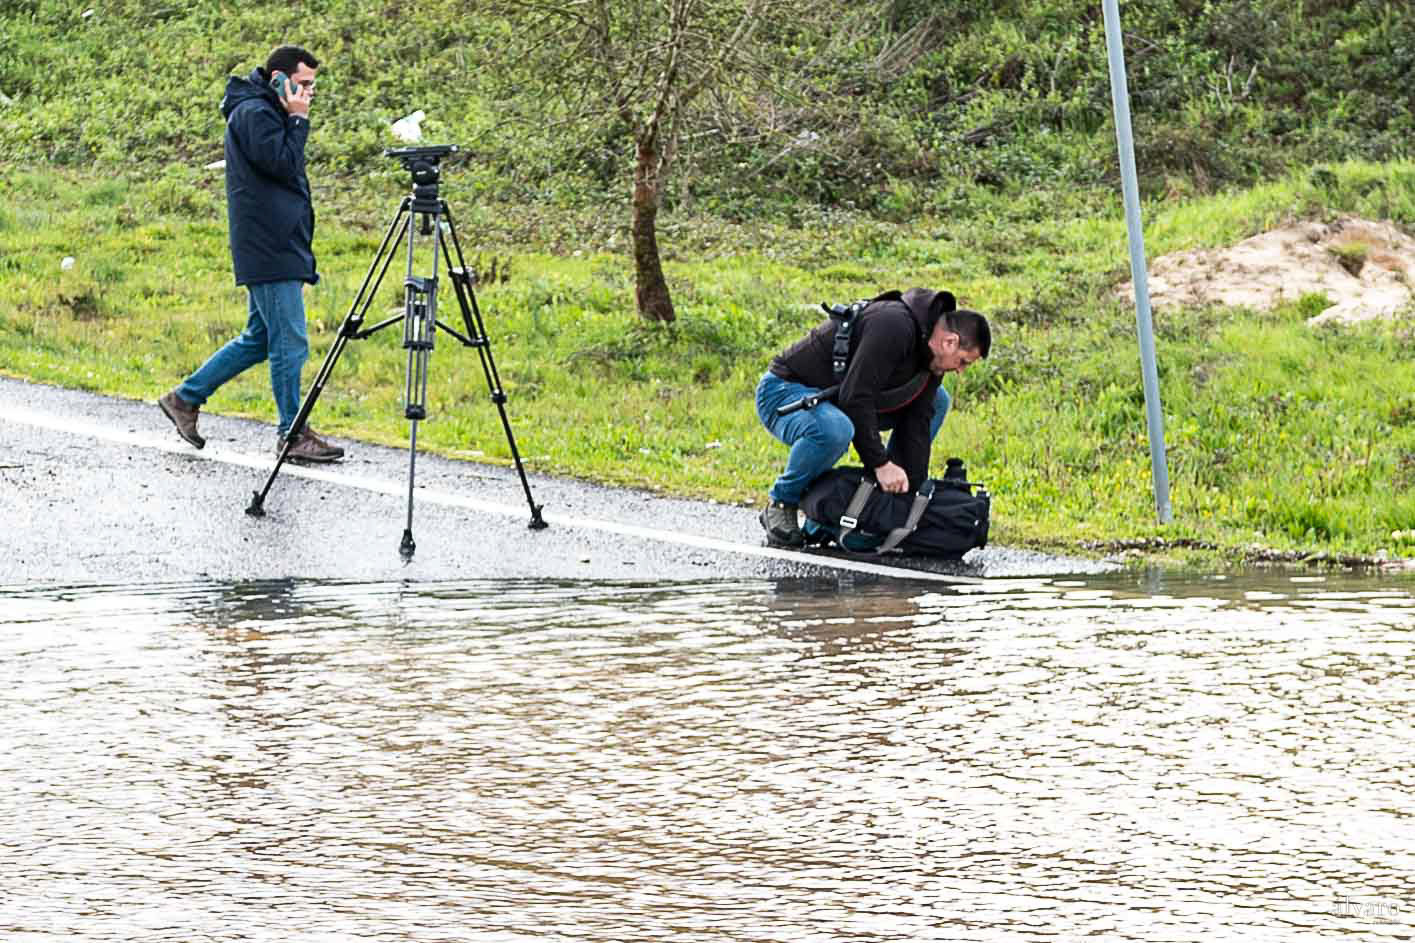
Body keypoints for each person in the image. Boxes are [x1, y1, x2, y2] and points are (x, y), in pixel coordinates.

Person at [158, 44, 343, 464]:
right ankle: (291, 433)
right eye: (304, 84)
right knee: (290, 340)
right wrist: (298, 120)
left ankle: (184, 398)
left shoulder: (263, 112)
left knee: (261, 338)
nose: (309, 93)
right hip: (269, 245)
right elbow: (284, 164)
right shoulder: (255, 115)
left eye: (312, 86)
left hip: (275, 241)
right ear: (279, 78)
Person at [754, 288, 990, 546]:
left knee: (937, 400)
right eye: (964, 362)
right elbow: (855, 399)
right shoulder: (893, 325)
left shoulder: (931, 355)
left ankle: (838, 512)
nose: (961, 371)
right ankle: (781, 502)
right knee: (836, 430)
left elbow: (918, 424)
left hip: (836, 401)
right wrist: (881, 464)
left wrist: (908, 496)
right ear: (950, 342)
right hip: (785, 392)